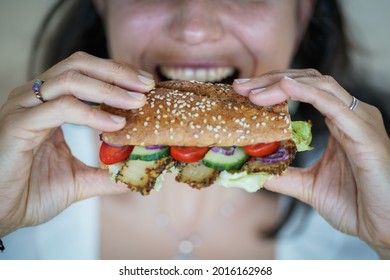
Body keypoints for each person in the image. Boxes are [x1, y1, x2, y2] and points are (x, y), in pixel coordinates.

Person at [0, 0, 389, 260]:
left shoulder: (366, 190)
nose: (193, 29)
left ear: (302, 12)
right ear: (103, 5)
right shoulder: (21, 167)